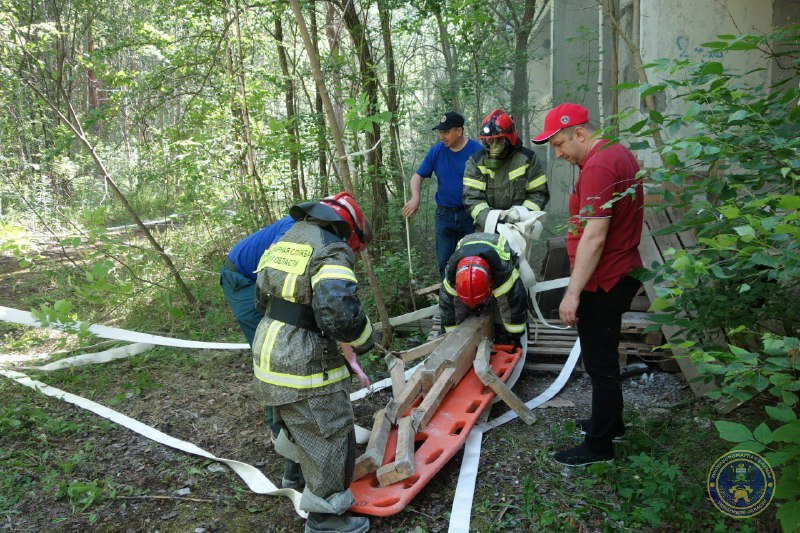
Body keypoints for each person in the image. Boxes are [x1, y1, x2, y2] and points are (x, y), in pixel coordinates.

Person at [252, 192, 375, 533]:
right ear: (349, 228)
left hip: (268, 349)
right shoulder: (331, 249)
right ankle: (326, 517)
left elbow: (260, 297)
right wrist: (366, 341)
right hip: (303, 360)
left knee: (294, 419)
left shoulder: (286, 240)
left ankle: (295, 474)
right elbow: (341, 316)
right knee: (330, 432)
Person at [531, 103, 643, 466]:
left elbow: (595, 236)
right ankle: (609, 423)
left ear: (580, 133)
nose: (560, 154)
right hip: (616, 274)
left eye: (561, 144)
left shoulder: (598, 165)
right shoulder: (618, 153)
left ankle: (599, 446)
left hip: (604, 280)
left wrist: (573, 293)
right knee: (603, 360)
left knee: (600, 365)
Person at [402, 111, 482, 279]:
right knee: (445, 262)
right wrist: (415, 197)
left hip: (470, 214)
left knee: (472, 260)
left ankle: (470, 300)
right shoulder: (437, 151)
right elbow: (417, 176)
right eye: (440, 132)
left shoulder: (477, 151)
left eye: (445, 132)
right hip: (444, 215)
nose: (441, 136)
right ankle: (448, 300)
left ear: (458, 131)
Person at [462, 109, 549, 232]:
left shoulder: (527, 159)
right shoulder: (476, 162)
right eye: (490, 140)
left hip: (520, 229)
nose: (494, 146)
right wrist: (492, 221)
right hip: (487, 229)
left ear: (510, 139)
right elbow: (472, 199)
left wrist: (519, 218)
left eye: (499, 140)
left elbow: (538, 193)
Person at [439, 232, 528, 346]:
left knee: (503, 307)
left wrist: (513, 337)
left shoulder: (504, 274)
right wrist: (452, 339)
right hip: (468, 246)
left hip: (497, 247)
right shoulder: (451, 279)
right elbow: (450, 312)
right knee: (456, 308)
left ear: (490, 281)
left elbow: (514, 308)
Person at [220, 216, 296, 346]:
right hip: (241, 276)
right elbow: (271, 259)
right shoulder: (295, 225)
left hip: (260, 274)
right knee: (262, 333)